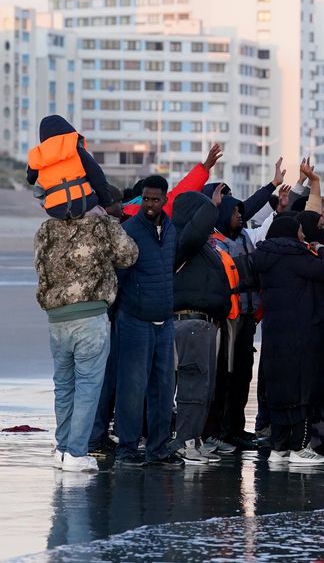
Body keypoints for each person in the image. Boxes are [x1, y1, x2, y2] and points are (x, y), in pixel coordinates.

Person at [34, 203, 138, 471]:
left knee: (64, 385)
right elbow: (129, 255)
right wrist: (110, 222)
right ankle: (77, 454)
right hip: (90, 316)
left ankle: (63, 448)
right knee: (88, 387)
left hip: (56, 318)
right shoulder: (101, 227)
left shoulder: (46, 229)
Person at [252, 215, 324, 464]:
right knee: (302, 389)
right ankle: (300, 447)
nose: (303, 236)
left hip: (273, 333)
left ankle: (278, 449)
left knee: (278, 390)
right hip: (302, 333)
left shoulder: (263, 258)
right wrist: (318, 249)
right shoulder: (297, 257)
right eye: (301, 231)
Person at [114, 175, 184, 468]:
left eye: (156, 199)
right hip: (135, 321)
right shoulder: (129, 231)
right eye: (146, 199)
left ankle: (157, 448)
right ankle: (127, 450)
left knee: (163, 388)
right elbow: (119, 276)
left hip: (164, 322)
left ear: (165, 200)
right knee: (132, 388)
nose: (150, 204)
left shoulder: (170, 230)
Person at [170, 188, 230, 464]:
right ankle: (184, 441)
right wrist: (213, 205)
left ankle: (193, 438)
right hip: (190, 322)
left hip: (205, 323)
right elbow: (201, 224)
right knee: (193, 384)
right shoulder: (183, 239)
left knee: (204, 386)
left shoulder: (200, 245)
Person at [27, 115, 112, 220]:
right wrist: (105, 202)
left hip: (55, 210)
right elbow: (98, 177)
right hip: (84, 204)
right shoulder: (77, 151)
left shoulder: (39, 156)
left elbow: (30, 179)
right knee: (104, 218)